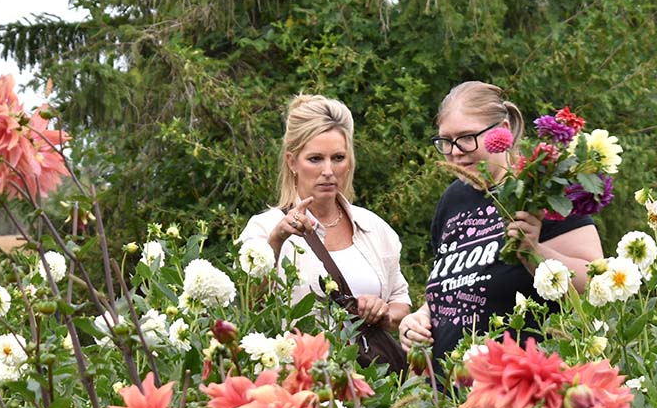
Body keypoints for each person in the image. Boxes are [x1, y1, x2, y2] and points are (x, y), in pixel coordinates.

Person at [398, 81, 603, 362]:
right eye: (445, 141)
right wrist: (420, 318)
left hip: (521, 384)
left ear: (503, 131)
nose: (455, 151)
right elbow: (452, 284)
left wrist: (534, 251)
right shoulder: (452, 200)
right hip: (451, 392)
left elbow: (595, 282)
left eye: (467, 137)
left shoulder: (543, 189)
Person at [238, 94, 411, 333]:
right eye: (315, 159)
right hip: (298, 367)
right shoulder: (264, 228)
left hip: (370, 368)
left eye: (338, 158)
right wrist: (276, 240)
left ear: (349, 161)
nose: (328, 171)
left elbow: (401, 302)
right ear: (292, 162)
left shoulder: (373, 227)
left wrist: (382, 313)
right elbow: (248, 308)